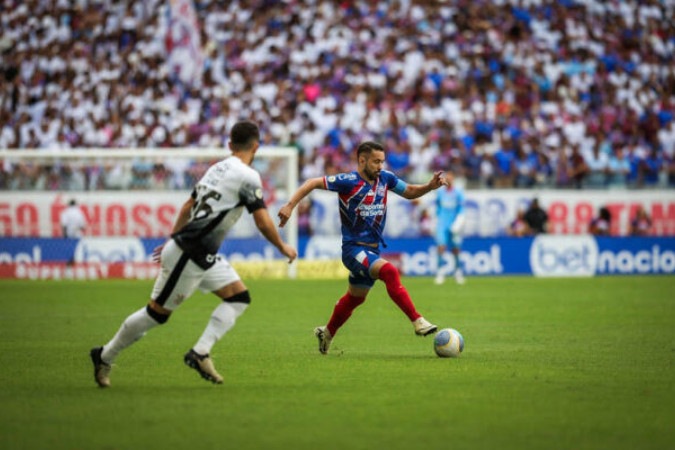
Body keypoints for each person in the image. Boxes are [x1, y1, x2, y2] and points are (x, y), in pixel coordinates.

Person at [89, 121, 297, 387]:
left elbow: (189, 205)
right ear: (256, 146)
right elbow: (262, 221)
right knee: (156, 314)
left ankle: (200, 352)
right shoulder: (248, 176)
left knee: (239, 297)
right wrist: (283, 247)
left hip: (198, 251)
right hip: (189, 251)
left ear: (230, 145)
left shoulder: (216, 168)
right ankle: (105, 355)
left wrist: (172, 238)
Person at [278, 141, 444, 355]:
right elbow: (311, 182)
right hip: (353, 250)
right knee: (389, 271)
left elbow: (410, 191)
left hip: (372, 250)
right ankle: (418, 321)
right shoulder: (348, 181)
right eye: (376, 161)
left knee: (356, 297)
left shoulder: (386, 179)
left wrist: (430, 187)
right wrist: (290, 205)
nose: (380, 166)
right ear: (362, 160)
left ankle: (326, 333)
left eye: (382, 161)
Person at [433, 169, 466, 285]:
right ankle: (440, 272)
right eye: (448, 178)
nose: (449, 180)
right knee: (441, 247)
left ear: (454, 179)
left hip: (454, 225)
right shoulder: (440, 193)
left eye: (451, 178)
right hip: (442, 224)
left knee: (455, 249)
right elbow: (437, 207)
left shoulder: (458, 193)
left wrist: (458, 223)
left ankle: (457, 271)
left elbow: (462, 210)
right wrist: (436, 220)